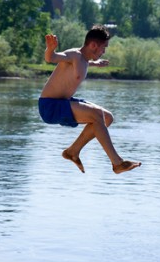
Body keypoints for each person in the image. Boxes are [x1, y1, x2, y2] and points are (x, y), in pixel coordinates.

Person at [39, 25, 141, 174]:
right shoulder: (74, 55)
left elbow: (84, 63)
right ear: (93, 45)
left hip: (64, 103)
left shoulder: (85, 60)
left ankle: (72, 152)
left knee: (107, 118)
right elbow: (51, 58)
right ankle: (117, 163)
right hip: (50, 106)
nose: (104, 51)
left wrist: (95, 63)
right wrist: (50, 49)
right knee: (97, 115)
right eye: (103, 47)